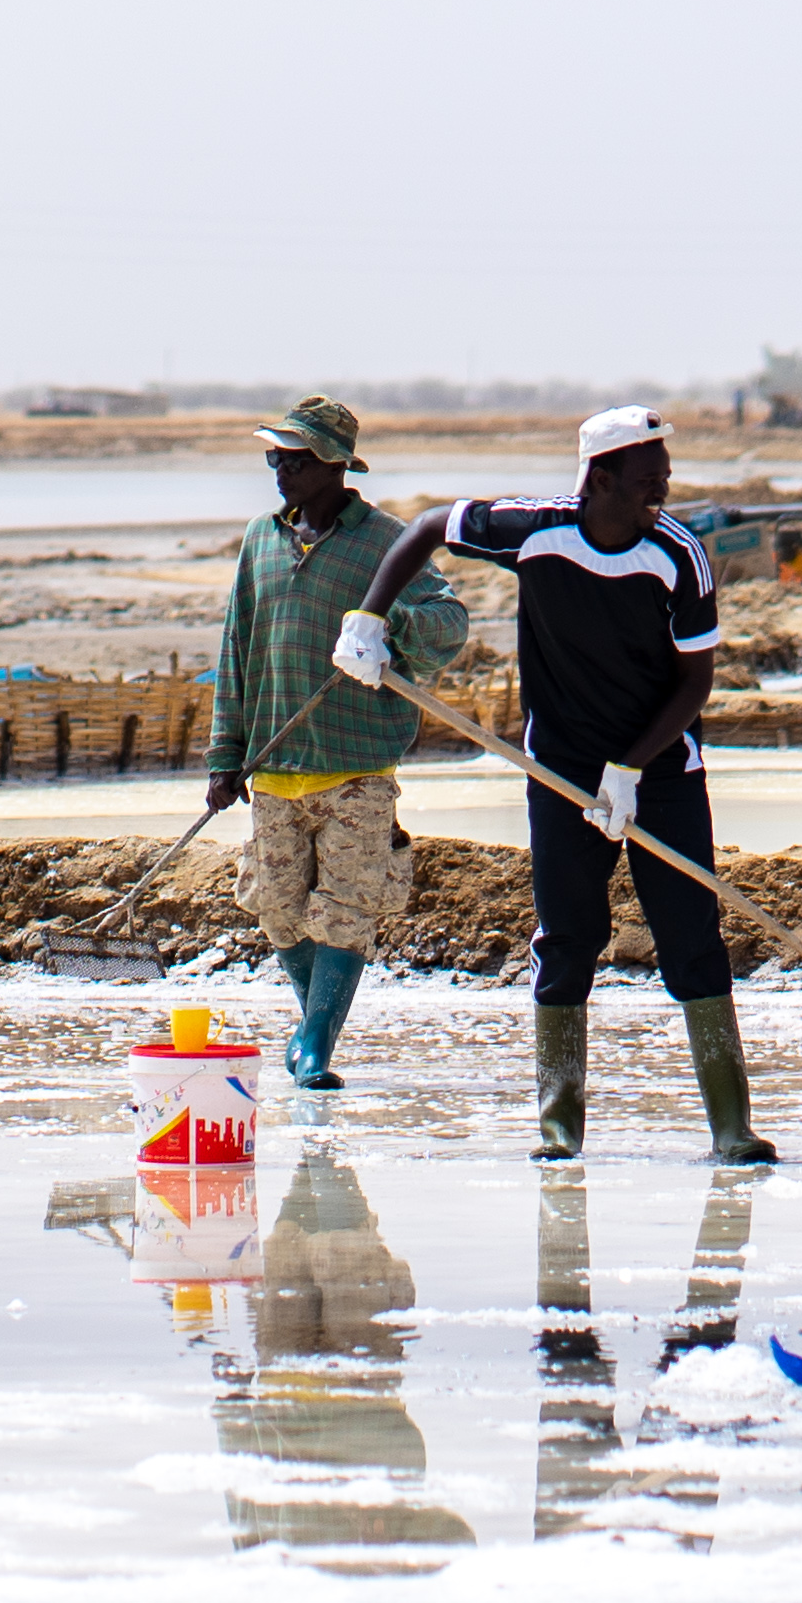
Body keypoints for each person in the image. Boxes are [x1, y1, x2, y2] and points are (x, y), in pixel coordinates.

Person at [344, 406, 773, 1164]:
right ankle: (557, 1123)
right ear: (598, 479)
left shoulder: (679, 556)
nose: (661, 494)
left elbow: (694, 683)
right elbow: (426, 527)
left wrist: (632, 768)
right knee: (567, 938)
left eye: (665, 478)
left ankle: (731, 1127)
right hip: (559, 771)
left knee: (691, 940)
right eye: (648, 481)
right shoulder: (532, 529)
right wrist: (367, 619)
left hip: (663, 770)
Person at [200, 392, 465, 1090]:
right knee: (281, 912)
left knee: (346, 909)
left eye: (293, 457)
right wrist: (224, 758)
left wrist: (389, 625)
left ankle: (315, 1043)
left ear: (334, 465)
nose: (278, 468)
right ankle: (310, 1026)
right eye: (273, 456)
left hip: (356, 764)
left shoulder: (385, 541)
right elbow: (238, 649)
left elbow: (449, 623)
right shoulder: (261, 538)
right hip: (274, 764)